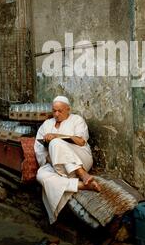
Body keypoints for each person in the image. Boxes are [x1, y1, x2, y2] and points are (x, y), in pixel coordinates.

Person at [34, 95, 101, 226]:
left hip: (81, 159)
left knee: (55, 143)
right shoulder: (47, 124)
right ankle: (82, 185)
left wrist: (57, 137)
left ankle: (82, 174)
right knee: (41, 175)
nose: (56, 114)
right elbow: (39, 150)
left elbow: (81, 141)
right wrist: (53, 156)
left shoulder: (77, 120)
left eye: (60, 111)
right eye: (54, 111)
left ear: (68, 109)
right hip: (58, 165)